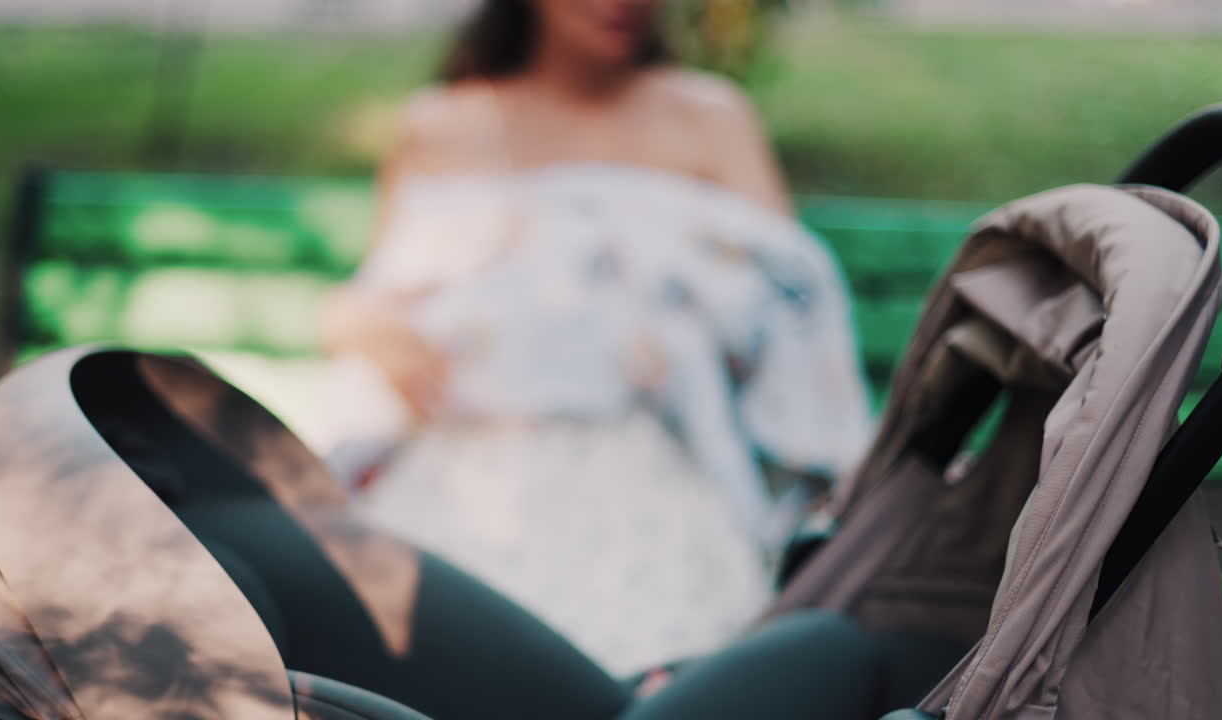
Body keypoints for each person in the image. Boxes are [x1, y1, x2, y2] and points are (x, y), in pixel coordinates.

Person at [319, 0, 873, 674]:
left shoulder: (711, 118)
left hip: (657, 459)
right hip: (466, 455)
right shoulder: (444, 124)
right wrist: (365, 326)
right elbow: (371, 302)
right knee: (416, 648)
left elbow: (789, 328)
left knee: (658, 651)